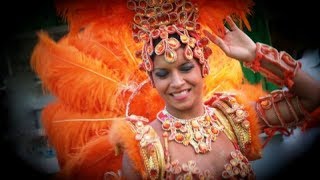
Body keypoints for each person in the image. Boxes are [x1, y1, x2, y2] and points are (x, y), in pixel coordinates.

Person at [30, 0, 320, 179]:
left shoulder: (232, 120)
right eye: (163, 73)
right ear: (152, 80)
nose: (178, 82)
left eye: (185, 68)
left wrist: (256, 55)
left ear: (203, 67)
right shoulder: (145, 148)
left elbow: (312, 97)